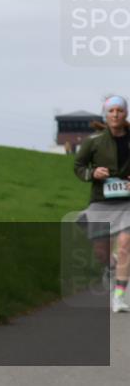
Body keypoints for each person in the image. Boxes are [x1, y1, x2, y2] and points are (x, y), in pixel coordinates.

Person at [74, 95, 130, 313]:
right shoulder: (93, 141)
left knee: (125, 246)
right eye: (111, 111)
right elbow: (78, 166)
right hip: (101, 201)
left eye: (119, 111)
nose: (115, 115)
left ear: (125, 114)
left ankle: (119, 297)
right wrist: (92, 173)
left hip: (127, 203)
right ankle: (110, 266)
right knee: (100, 251)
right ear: (105, 115)